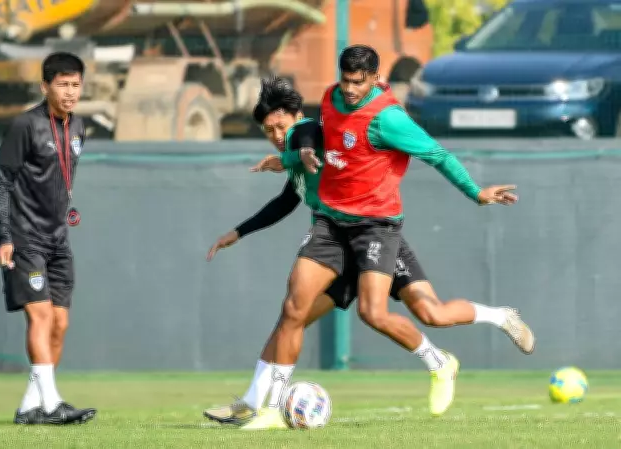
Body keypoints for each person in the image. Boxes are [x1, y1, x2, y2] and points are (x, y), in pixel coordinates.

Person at [202, 76, 534, 429]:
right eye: (269, 131)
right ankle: (254, 404)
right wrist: (239, 231)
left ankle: (491, 323)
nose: (277, 135)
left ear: (295, 115)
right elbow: (286, 200)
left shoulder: (305, 131)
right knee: (292, 316)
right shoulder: (297, 152)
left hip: (373, 232)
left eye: (280, 126)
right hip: (336, 242)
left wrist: (289, 157)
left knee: (430, 313)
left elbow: (308, 142)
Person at [0, 52, 96, 425]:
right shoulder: (25, 125)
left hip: (58, 239)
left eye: (75, 85)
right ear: (45, 87)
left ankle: (30, 406)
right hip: (26, 238)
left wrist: (65, 210)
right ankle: (52, 404)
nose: (70, 92)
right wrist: (5, 236)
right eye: (62, 85)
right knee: (40, 316)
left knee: (59, 324)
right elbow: (2, 181)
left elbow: (60, 178)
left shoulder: (79, 126)